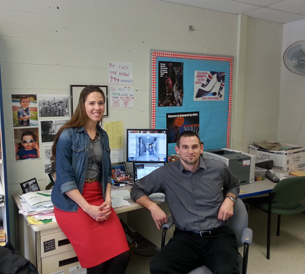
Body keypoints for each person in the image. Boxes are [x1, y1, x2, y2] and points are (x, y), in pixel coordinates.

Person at [130, 131, 240, 274]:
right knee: (159, 267)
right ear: (178, 150)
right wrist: (152, 207)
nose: (190, 152)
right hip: (186, 238)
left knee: (226, 272)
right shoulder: (166, 173)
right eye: (185, 147)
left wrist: (229, 199)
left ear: (201, 148)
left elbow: (234, 184)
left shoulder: (218, 168)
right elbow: (136, 189)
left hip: (218, 236)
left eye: (194, 147)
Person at [50, 85, 130, 274]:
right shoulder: (67, 134)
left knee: (122, 256)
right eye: (92, 103)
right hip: (73, 202)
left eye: (101, 103)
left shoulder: (103, 135)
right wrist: (87, 208)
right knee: (98, 264)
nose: (97, 107)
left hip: (99, 199)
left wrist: (108, 200)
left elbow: (106, 171)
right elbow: (64, 178)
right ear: (82, 105)